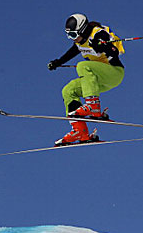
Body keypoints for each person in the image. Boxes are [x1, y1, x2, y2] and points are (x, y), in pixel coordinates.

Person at [47, 13, 125, 146]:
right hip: (97, 80)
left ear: (82, 30)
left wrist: (102, 45)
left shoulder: (98, 33)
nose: (72, 39)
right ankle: (79, 131)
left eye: (73, 35)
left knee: (83, 66)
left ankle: (93, 106)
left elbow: (114, 51)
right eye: (68, 36)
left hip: (114, 73)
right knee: (68, 90)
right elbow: (71, 53)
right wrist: (57, 62)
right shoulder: (79, 42)